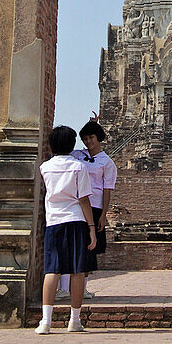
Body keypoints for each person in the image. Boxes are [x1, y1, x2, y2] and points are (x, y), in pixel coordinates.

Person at [35, 125, 97, 334]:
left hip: (54, 222)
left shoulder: (45, 167)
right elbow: (84, 200)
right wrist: (91, 228)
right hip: (77, 220)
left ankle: (46, 321)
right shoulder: (79, 167)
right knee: (77, 271)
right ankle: (75, 320)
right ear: (72, 146)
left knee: (52, 270)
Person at [72, 118, 117, 298]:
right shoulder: (77, 155)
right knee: (76, 245)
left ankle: (83, 288)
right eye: (85, 138)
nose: (88, 142)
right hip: (76, 205)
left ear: (99, 138)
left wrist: (103, 215)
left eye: (91, 137)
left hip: (96, 206)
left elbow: (107, 190)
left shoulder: (107, 162)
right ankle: (66, 287)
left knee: (89, 248)